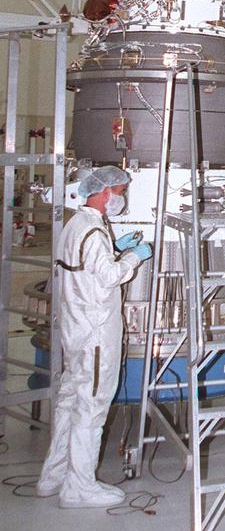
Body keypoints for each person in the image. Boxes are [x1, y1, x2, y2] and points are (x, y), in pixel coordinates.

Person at [36, 165, 152, 508]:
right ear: (104, 194)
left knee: (70, 400)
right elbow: (108, 277)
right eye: (119, 193)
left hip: (74, 328)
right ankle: (79, 488)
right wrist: (132, 257)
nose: (120, 199)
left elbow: (84, 265)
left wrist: (114, 245)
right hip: (97, 333)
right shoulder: (94, 231)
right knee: (92, 406)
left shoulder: (76, 225)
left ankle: (53, 474)